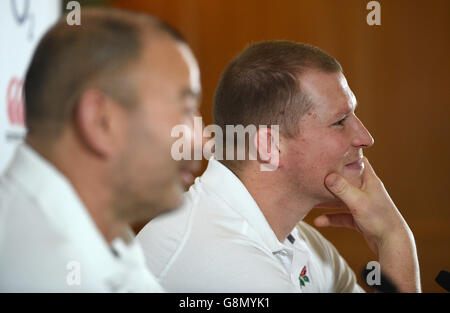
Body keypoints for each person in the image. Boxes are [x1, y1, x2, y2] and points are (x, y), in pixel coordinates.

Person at [137, 40, 421, 292]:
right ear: (269, 147)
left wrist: (391, 240)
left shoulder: (301, 243)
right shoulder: (224, 261)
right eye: (339, 122)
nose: (365, 138)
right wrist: (396, 241)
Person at [0, 8, 201, 292]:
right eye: (186, 111)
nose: (203, 142)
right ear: (102, 121)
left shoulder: (104, 236)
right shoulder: (46, 275)